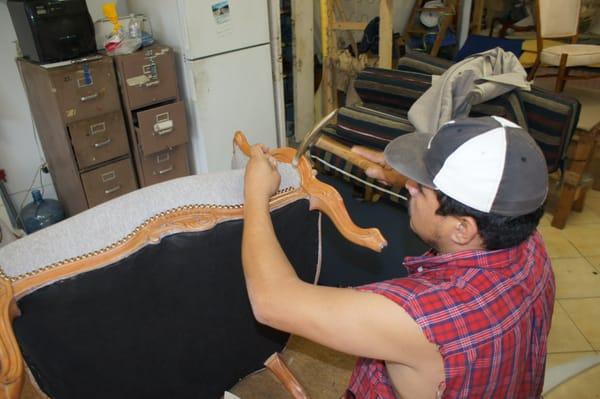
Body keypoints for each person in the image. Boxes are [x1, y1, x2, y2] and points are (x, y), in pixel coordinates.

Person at [242, 116, 555, 398]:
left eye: (420, 187)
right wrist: (401, 176)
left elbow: (272, 302)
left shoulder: (420, 316)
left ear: (462, 229)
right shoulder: (530, 245)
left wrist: (255, 194)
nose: (409, 185)